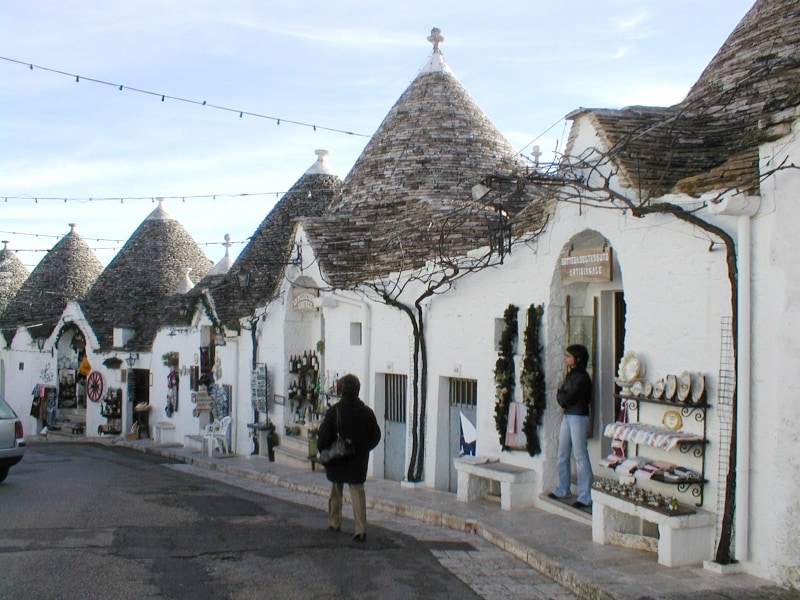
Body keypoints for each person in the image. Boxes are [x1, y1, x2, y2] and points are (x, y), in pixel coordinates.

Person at [317, 374, 381, 542]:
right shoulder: (366, 413)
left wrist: (324, 450)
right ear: (357, 391)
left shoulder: (334, 412)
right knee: (357, 492)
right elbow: (375, 435)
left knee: (336, 490)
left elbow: (324, 436)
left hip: (338, 458)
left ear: (342, 390)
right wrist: (364, 449)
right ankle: (360, 529)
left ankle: (334, 522)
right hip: (358, 460)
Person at [549, 344, 594, 509]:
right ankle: (562, 488)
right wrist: (562, 396)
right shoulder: (571, 375)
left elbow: (567, 396)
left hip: (578, 416)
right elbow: (561, 394)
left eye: (569, 356)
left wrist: (562, 396)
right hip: (568, 415)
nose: (565, 358)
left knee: (580, 455)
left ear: (577, 358)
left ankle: (585, 495)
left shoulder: (582, 377)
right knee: (562, 452)